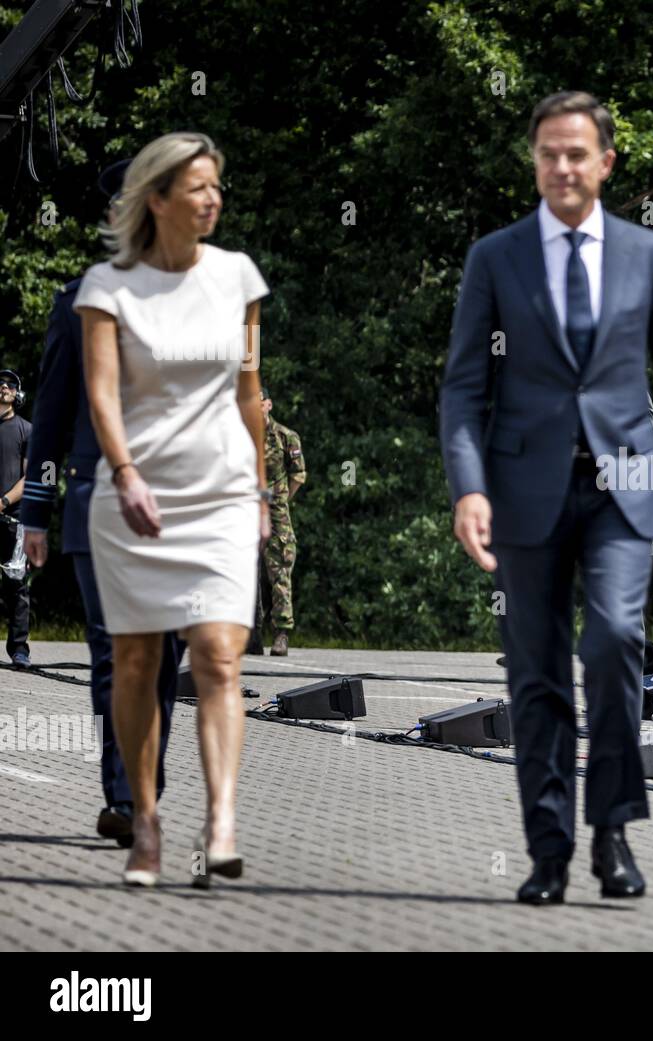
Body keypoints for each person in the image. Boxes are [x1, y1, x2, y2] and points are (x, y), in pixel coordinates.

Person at [441, 92, 653, 904]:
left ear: (605, 164)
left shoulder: (647, 254)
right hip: (524, 490)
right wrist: (468, 487)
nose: (562, 166)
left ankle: (614, 830)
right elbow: (462, 391)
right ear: (535, 162)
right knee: (537, 672)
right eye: (548, 153)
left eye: (576, 153)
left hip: (625, 486)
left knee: (617, 643)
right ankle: (549, 848)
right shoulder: (497, 257)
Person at [74, 131, 272, 886]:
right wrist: (123, 472)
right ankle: (147, 822)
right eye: (197, 187)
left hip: (221, 492)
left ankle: (220, 821)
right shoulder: (108, 288)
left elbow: (250, 392)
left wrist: (259, 488)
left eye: (217, 185)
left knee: (220, 654)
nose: (212, 198)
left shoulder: (239, 278)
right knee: (136, 661)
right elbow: (100, 394)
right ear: (157, 198)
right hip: (135, 495)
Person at [21, 159, 185, 844]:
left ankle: (141, 783)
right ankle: (130, 799)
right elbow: (53, 414)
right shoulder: (77, 301)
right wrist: (34, 509)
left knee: (165, 653)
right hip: (98, 502)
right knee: (117, 652)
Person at [257, 388, 306, 656]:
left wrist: (282, 498)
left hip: (276, 512)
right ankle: (248, 633)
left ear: (268, 404)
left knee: (279, 570)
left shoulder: (285, 437)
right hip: (244, 509)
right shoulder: (242, 436)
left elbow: (298, 475)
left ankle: (281, 633)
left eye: (259, 402)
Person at [0, 368, 31, 668]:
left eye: (10, 384)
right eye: (0, 383)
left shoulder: (27, 430)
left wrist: (4, 501)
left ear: (17, 393)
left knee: (16, 585)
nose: (4, 387)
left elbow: (35, 475)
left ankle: (19, 650)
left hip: (14, 519)